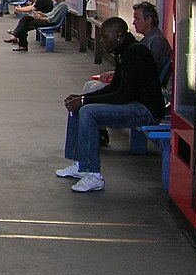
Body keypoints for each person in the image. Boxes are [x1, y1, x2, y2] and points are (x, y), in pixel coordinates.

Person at [58, 17, 168, 192]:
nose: (101, 41)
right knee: (79, 107)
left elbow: (123, 95)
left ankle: (93, 175)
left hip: (145, 110)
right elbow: (116, 86)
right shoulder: (124, 51)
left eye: (104, 37)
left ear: (119, 35)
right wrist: (82, 97)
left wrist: (85, 101)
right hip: (134, 104)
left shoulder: (136, 53)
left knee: (87, 112)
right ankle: (81, 165)